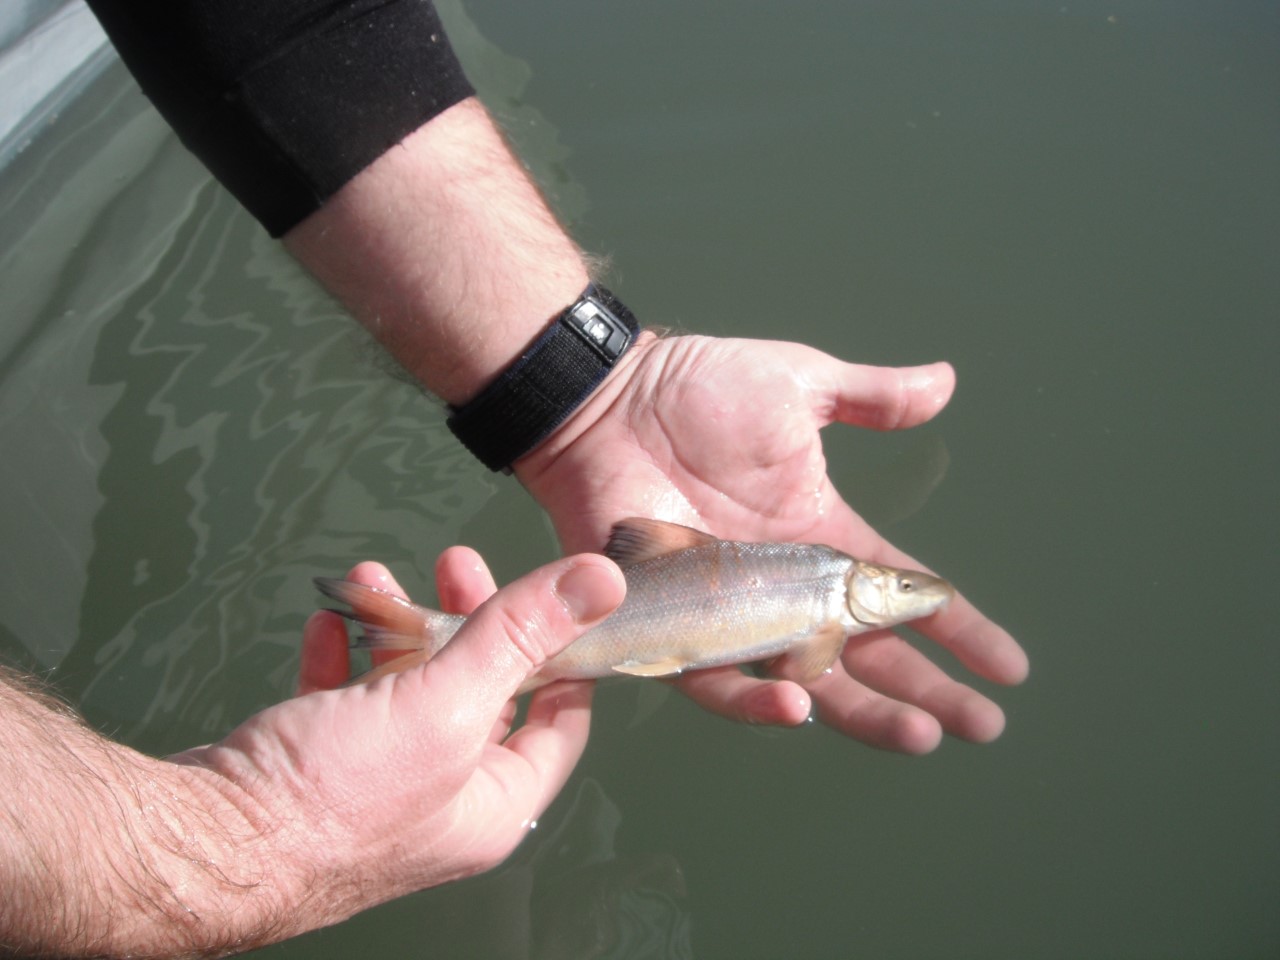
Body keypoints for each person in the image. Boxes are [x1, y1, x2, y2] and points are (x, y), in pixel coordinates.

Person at [0, 1, 1029, 954]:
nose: (903, 592)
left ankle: (438, 640)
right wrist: (245, 836)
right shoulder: (824, 593)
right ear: (865, 587)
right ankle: (436, 645)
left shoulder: (819, 593)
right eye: (898, 589)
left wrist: (592, 392)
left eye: (899, 591)